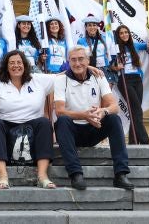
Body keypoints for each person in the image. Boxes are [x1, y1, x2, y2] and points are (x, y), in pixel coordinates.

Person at [0, 50, 57, 190]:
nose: (16, 66)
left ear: (25, 65)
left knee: (44, 122)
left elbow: (64, 77)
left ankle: (42, 176)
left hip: (32, 126)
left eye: (19, 62)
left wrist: (89, 68)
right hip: (6, 127)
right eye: (11, 63)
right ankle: (2, 175)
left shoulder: (37, 79)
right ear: (6, 66)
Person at [54, 46, 134, 190]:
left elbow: (114, 106)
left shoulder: (99, 77)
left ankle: (121, 174)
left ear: (88, 60)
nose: (77, 63)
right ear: (68, 61)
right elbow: (59, 111)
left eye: (81, 59)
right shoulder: (61, 80)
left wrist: (103, 111)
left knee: (114, 119)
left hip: (94, 127)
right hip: (72, 131)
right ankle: (75, 174)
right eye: (73, 60)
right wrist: (85, 115)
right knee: (62, 120)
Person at [111, 24, 149, 145]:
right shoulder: (115, 48)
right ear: (118, 35)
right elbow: (111, 65)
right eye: (121, 33)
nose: (124, 35)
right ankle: (145, 141)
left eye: (126, 32)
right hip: (124, 80)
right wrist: (116, 67)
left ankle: (133, 141)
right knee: (137, 110)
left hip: (137, 79)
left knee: (135, 111)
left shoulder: (135, 46)